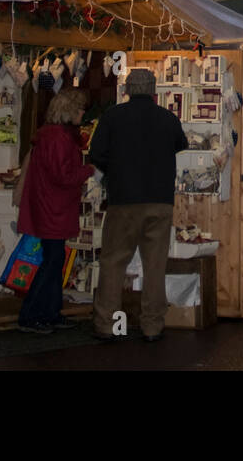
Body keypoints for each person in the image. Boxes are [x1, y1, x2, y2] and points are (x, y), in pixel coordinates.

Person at [88, 68, 186, 342]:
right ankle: (152, 325)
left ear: (127, 89)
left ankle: (106, 323)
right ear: (154, 91)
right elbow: (181, 144)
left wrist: (116, 169)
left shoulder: (112, 117)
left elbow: (96, 154)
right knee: (155, 265)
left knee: (113, 262)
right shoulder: (168, 118)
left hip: (123, 201)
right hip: (160, 201)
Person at [15, 89, 95, 333]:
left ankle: (50, 312)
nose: (83, 113)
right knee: (52, 262)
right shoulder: (60, 138)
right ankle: (31, 315)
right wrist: (90, 170)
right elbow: (64, 176)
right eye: (80, 109)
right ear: (70, 110)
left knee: (54, 260)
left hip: (48, 205)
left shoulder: (50, 135)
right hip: (54, 208)